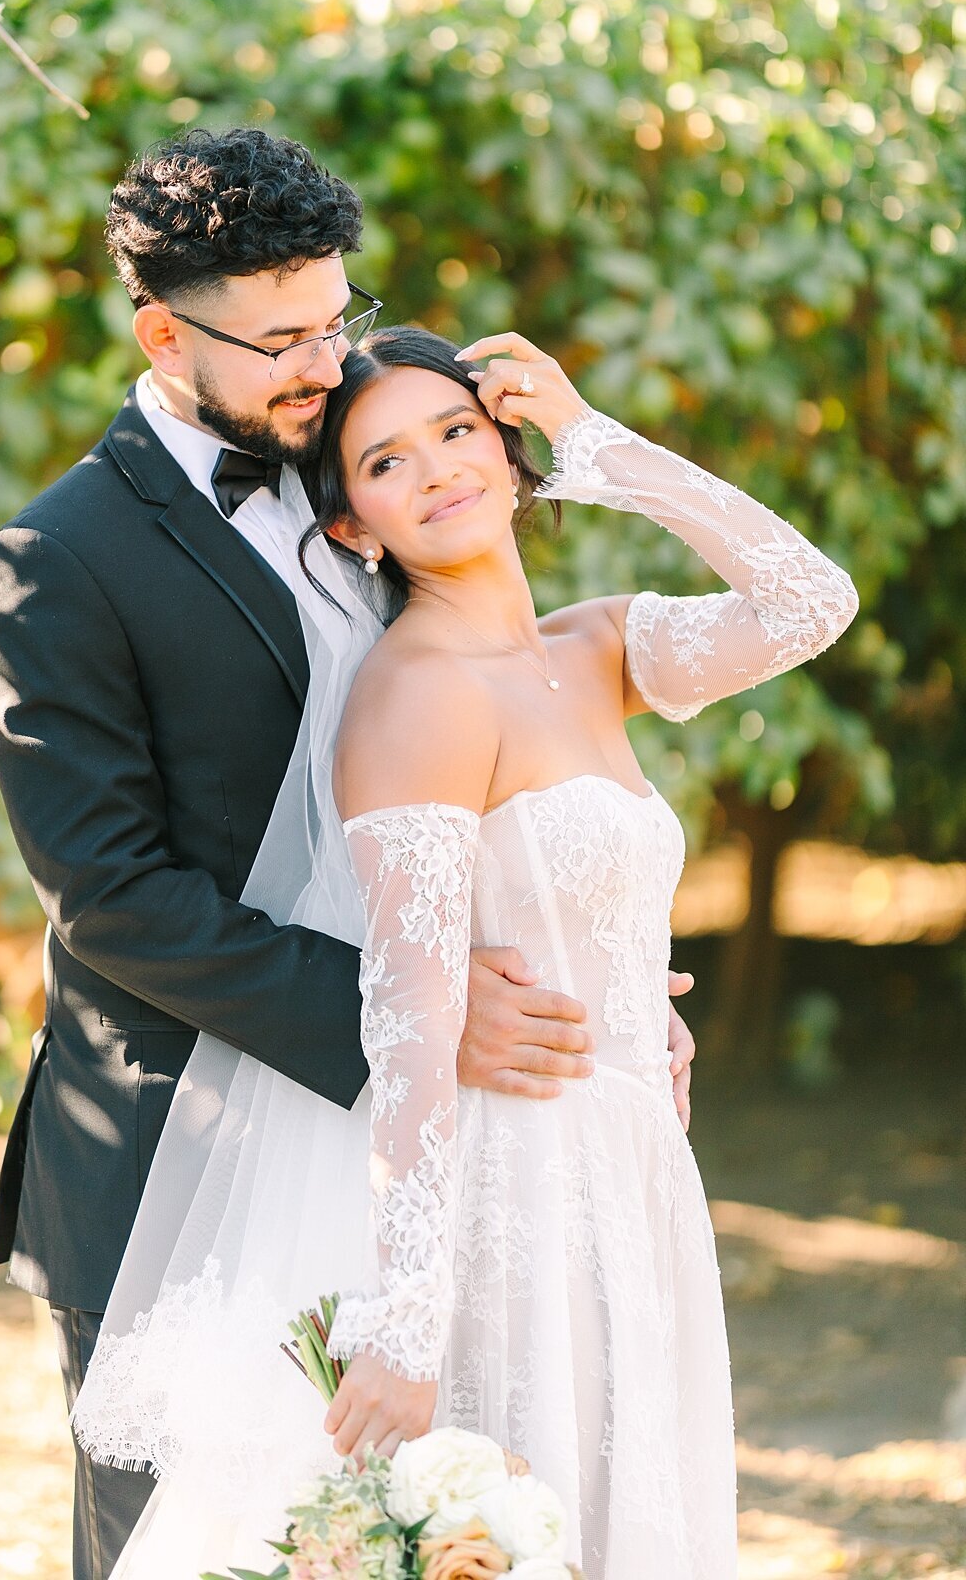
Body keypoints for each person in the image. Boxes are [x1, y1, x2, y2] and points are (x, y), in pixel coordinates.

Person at [0, 128, 698, 1580]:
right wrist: (413, 1020)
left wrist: (594, 985)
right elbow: (113, 899)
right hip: (174, 1139)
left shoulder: (372, 475)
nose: (321, 363)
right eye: (280, 340)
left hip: (441, 1149)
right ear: (164, 332)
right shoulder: (56, 561)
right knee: (206, 1541)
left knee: (451, 1527)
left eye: (336, 320)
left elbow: (495, 753)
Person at [69, 323, 859, 1580]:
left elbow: (813, 600)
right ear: (354, 528)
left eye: (457, 430)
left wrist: (598, 439)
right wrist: (409, 1319)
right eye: (384, 464)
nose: (438, 469)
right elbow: (410, 1018)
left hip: (633, 1169)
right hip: (517, 1190)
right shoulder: (418, 695)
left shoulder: (594, 650)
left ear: (506, 444)